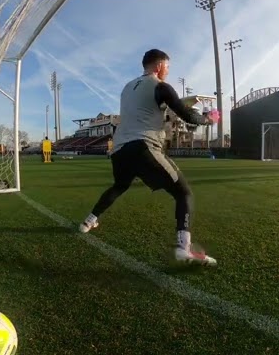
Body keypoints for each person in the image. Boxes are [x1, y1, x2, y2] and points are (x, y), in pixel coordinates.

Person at [76, 49, 218, 266]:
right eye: (168, 68)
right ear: (159, 66)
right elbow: (188, 115)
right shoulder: (160, 86)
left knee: (120, 185)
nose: (168, 72)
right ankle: (184, 249)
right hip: (142, 147)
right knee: (183, 193)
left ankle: (88, 221)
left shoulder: (127, 88)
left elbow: (149, 111)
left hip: (119, 150)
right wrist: (209, 119)